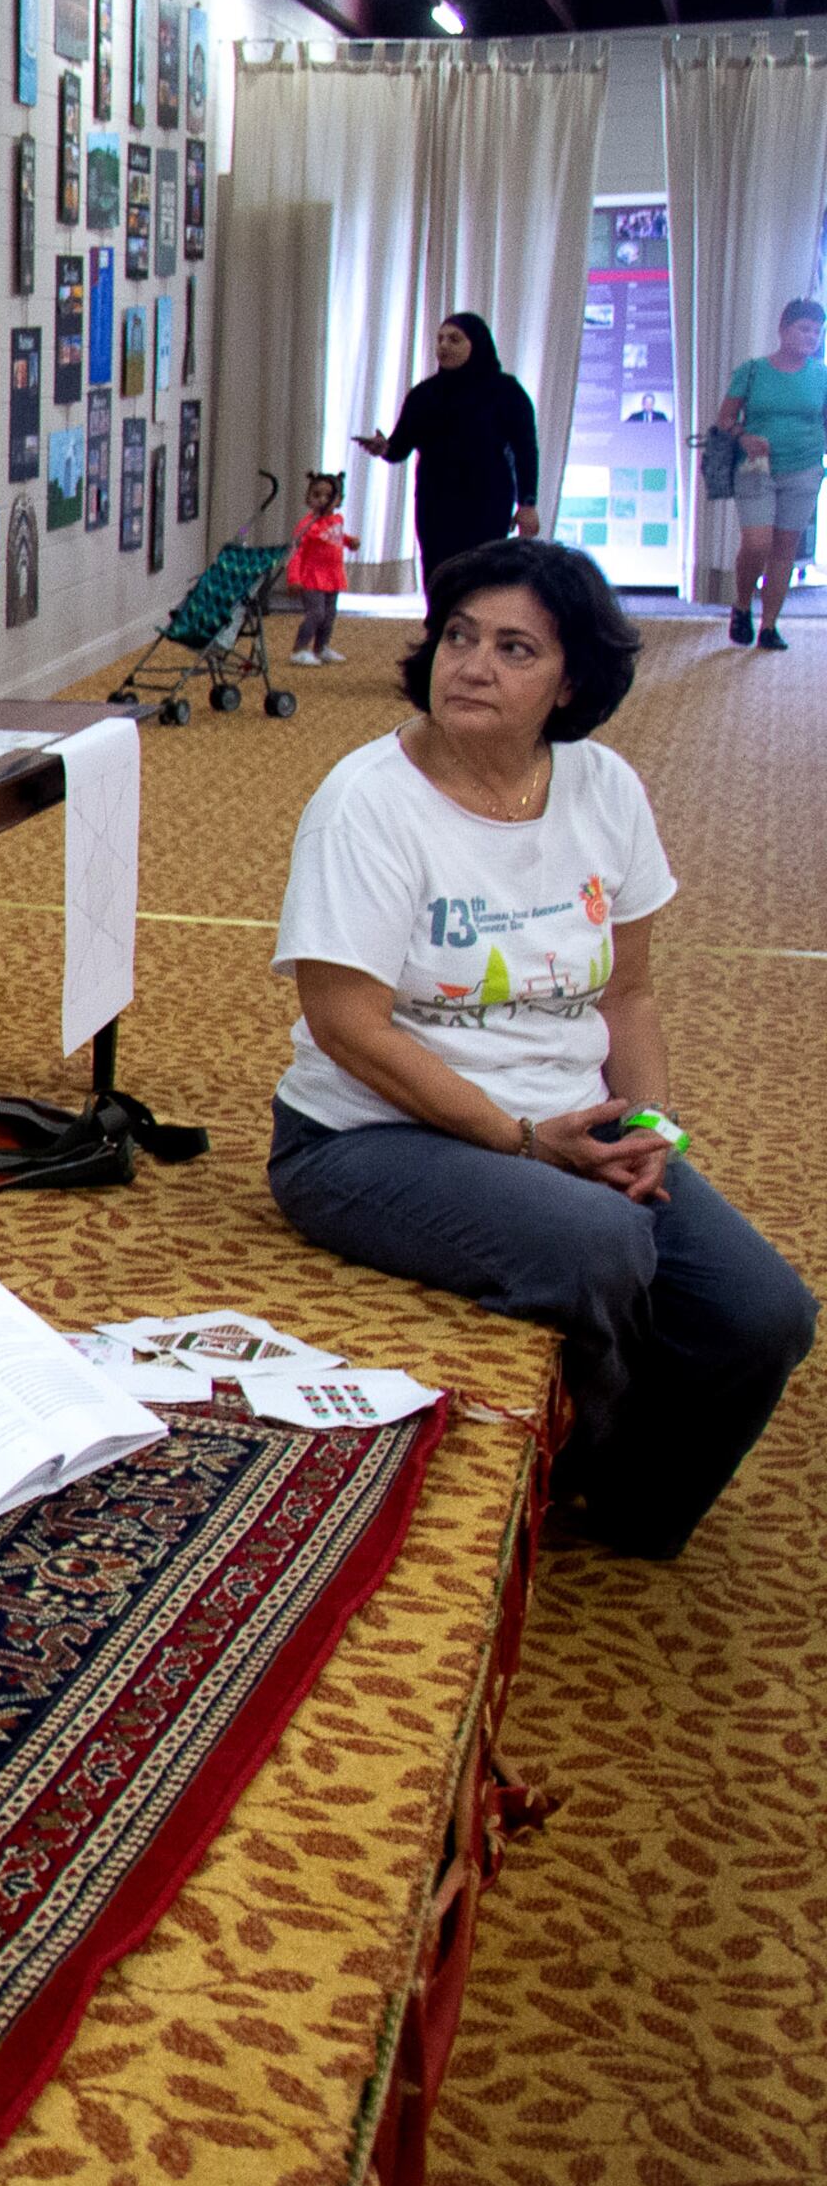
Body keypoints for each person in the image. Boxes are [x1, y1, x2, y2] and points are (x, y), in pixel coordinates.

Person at [266, 539, 811, 1559]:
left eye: (516, 648)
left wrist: (650, 1134)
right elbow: (346, 1023)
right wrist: (521, 1141)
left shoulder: (603, 786)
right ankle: (574, 1466)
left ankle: (639, 1509)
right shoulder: (368, 799)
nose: (474, 665)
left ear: (572, 683)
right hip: (365, 1136)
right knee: (599, 1245)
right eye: (461, 637)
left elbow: (634, 992)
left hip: (570, 1122)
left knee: (765, 1312)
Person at [353, 311, 542, 568]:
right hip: (436, 500)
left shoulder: (506, 392)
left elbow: (526, 450)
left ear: (476, 343)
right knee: (439, 573)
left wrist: (527, 503)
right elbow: (400, 448)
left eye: (454, 339)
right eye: (440, 339)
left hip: (487, 500)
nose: (443, 346)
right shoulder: (424, 394)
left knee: (482, 575)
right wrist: (384, 448)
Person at [710, 295, 824, 649]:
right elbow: (725, 418)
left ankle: (770, 625)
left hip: (804, 469)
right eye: (805, 329)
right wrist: (743, 436)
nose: (812, 337)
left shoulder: (821, 376)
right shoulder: (753, 370)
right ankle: (742, 604)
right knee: (757, 543)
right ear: (783, 330)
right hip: (757, 470)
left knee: (785, 548)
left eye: (818, 332)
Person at [284, 468, 357, 664]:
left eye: (329, 496)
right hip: (311, 577)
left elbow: (336, 537)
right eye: (317, 495)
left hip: (333, 576)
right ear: (308, 498)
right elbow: (296, 553)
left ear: (339, 500)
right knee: (316, 613)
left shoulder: (337, 520)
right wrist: (294, 578)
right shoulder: (307, 525)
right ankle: (299, 649)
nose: (323, 500)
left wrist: (349, 542)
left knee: (329, 615)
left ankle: (321, 647)